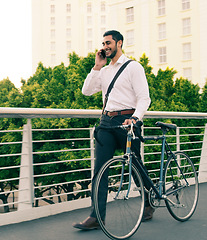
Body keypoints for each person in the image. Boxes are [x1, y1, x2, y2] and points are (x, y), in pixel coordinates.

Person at [73, 30, 152, 230]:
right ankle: (96, 217)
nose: (105, 46)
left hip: (129, 122)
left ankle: (149, 200)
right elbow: (87, 91)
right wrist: (97, 67)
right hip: (106, 124)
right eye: (103, 43)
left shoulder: (133, 67)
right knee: (100, 170)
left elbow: (144, 98)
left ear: (119, 43)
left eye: (109, 42)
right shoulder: (104, 71)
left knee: (136, 166)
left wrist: (135, 118)